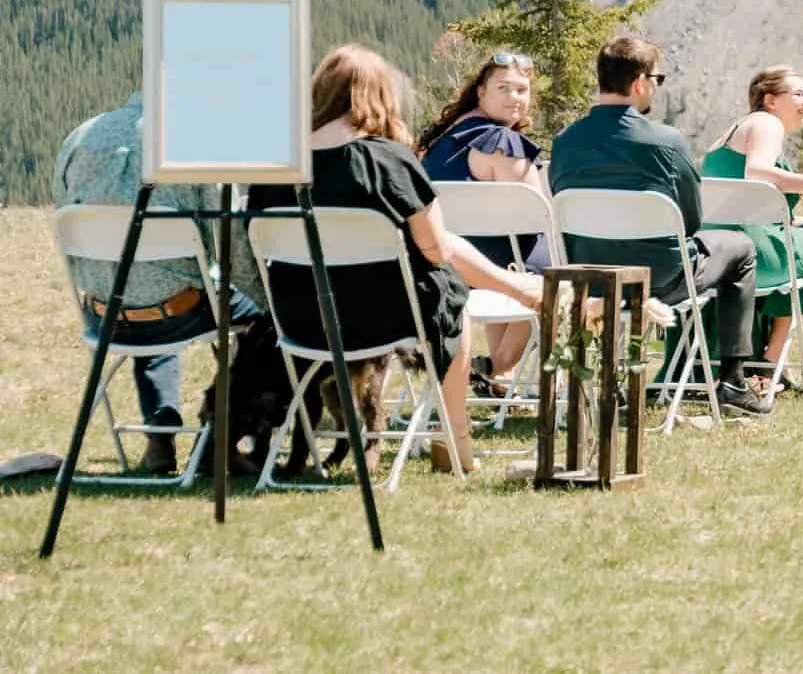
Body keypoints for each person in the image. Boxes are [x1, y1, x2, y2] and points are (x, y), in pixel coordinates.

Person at [245, 46, 541, 474]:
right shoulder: (388, 160)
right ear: (380, 96)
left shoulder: (277, 168)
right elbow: (437, 250)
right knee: (453, 299)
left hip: (299, 319)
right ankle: (453, 436)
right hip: (380, 318)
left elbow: (254, 245)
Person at [549, 35, 773, 416]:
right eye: (657, 79)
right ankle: (733, 382)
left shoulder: (564, 141)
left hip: (591, 277)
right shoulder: (666, 142)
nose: (656, 87)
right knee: (741, 249)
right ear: (639, 82)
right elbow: (690, 221)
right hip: (661, 278)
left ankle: (612, 379)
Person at [54, 93, 265, 476]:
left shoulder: (80, 137)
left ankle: (161, 430)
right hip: (178, 313)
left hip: (104, 316)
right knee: (260, 317)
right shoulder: (194, 145)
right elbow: (229, 243)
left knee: (142, 290)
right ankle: (221, 434)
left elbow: (63, 214)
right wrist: (269, 299)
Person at [699, 66, 803, 394]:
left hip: (716, 253)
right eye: (798, 94)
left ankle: (773, 361)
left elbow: (758, 212)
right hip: (753, 255)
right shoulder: (766, 123)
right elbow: (757, 175)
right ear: (770, 100)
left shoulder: (731, 136)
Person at [415, 48, 545, 383]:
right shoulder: (503, 143)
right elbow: (538, 215)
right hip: (499, 270)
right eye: (503, 88)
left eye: (522, 90)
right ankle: (497, 366)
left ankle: (501, 378)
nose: (514, 97)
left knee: (512, 252)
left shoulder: (440, 140)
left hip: (448, 267)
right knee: (559, 269)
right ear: (481, 92)